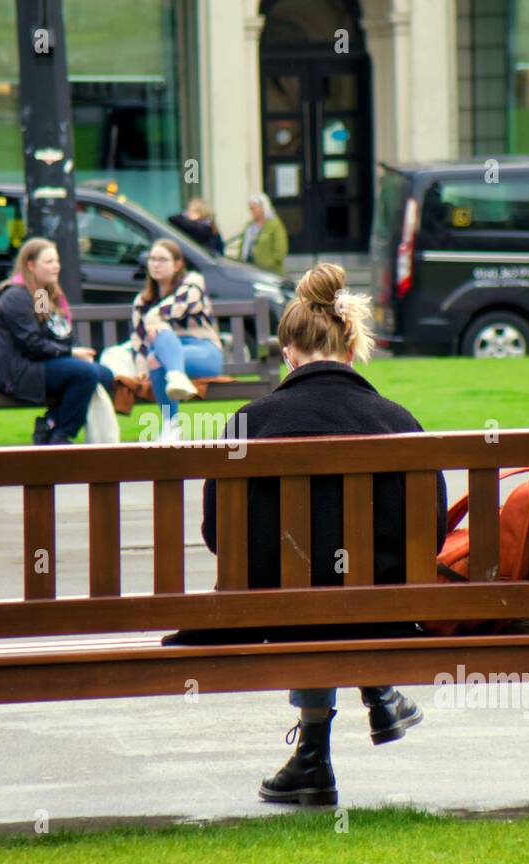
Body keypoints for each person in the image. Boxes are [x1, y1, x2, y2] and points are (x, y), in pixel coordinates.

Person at [187, 263, 448, 806]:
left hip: (276, 612)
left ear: (288, 354)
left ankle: (314, 756)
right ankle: (374, 688)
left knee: (308, 593)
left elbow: (218, 537)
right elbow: (433, 531)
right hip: (385, 610)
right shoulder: (399, 421)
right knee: (347, 590)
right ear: (352, 350)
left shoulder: (246, 423)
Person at [0, 238, 113, 444]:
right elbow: (32, 345)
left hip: (41, 363)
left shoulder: (41, 294)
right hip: (19, 370)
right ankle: (62, 434)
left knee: (104, 375)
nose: (56, 266)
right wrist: (71, 354)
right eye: (49, 261)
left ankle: (51, 422)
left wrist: (77, 352)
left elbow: (49, 334)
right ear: (31, 265)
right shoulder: (15, 296)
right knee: (87, 374)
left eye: (57, 261)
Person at [130, 239, 223, 439]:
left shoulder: (193, 282)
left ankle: (175, 378)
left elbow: (179, 305)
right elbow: (139, 339)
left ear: (177, 264)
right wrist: (141, 367)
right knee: (155, 357)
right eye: (152, 259)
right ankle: (171, 425)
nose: (155, 264)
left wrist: (154, 316)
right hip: (166, 356)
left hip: (205, 351)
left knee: (159, 336)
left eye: (162, 259)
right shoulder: (142, 301)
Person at [233, 192, 288, 276]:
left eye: (254, 208)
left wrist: (270, 263)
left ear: (263, 208)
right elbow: (242, 246)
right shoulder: (249, 226)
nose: (251, 211)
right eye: (250, 209)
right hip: (251, 270)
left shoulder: (274, 224)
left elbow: (281, 250)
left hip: (270, 271)